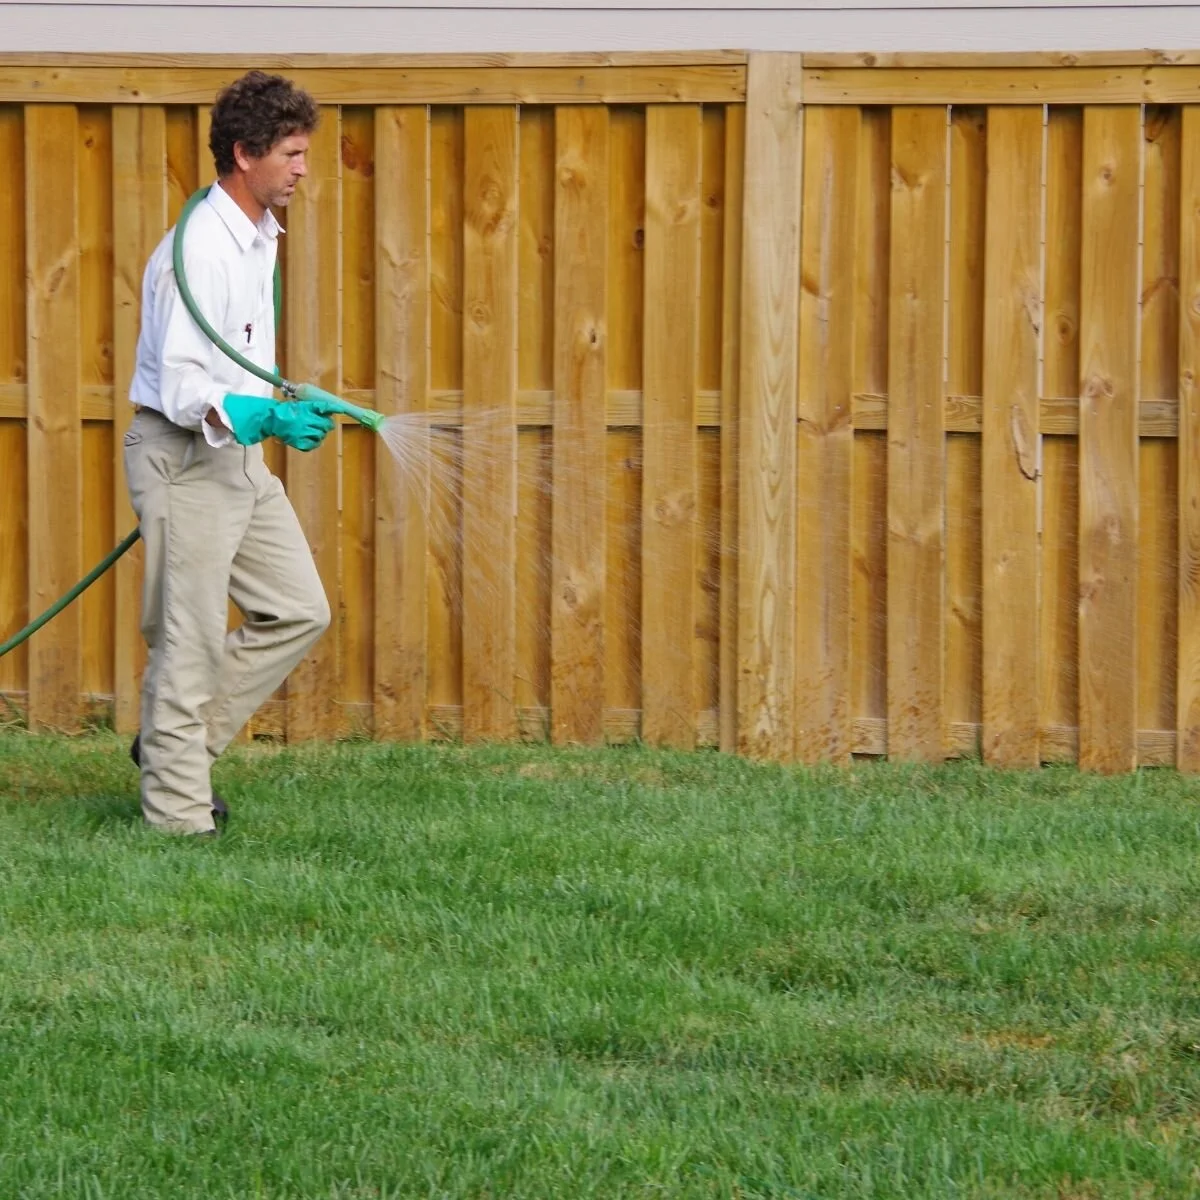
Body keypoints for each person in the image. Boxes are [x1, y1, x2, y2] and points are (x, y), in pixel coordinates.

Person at [124, 70, 336, 836]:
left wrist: (286, 399)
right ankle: (178, 818)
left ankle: (172, 748)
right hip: (182, 456)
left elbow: (233, 358)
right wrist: (256, 414)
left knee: (298, 610)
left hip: (237, 455)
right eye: (292, 153)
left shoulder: (258, 238)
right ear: (246, 155)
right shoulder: (200, 252)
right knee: (189, 637)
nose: (303, 168)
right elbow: (183, 383)